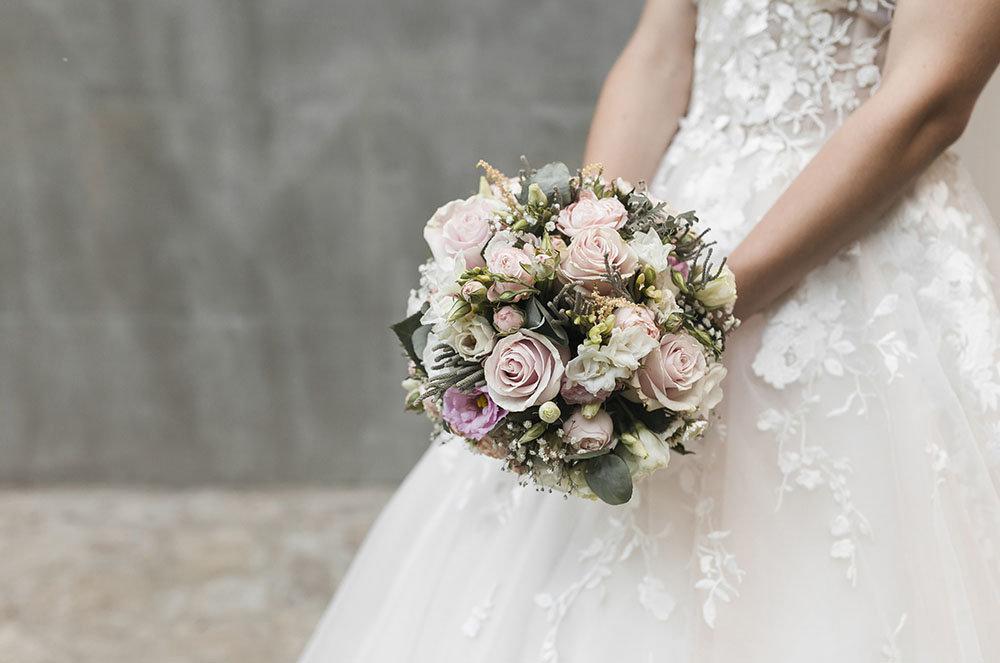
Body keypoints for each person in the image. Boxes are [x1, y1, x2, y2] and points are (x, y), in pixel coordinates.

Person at [299, 0, 1000, 660]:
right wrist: (580, 252)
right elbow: (663, 46)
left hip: (854, 252)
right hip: (678, 217)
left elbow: (928, 100)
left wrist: (701, 305)